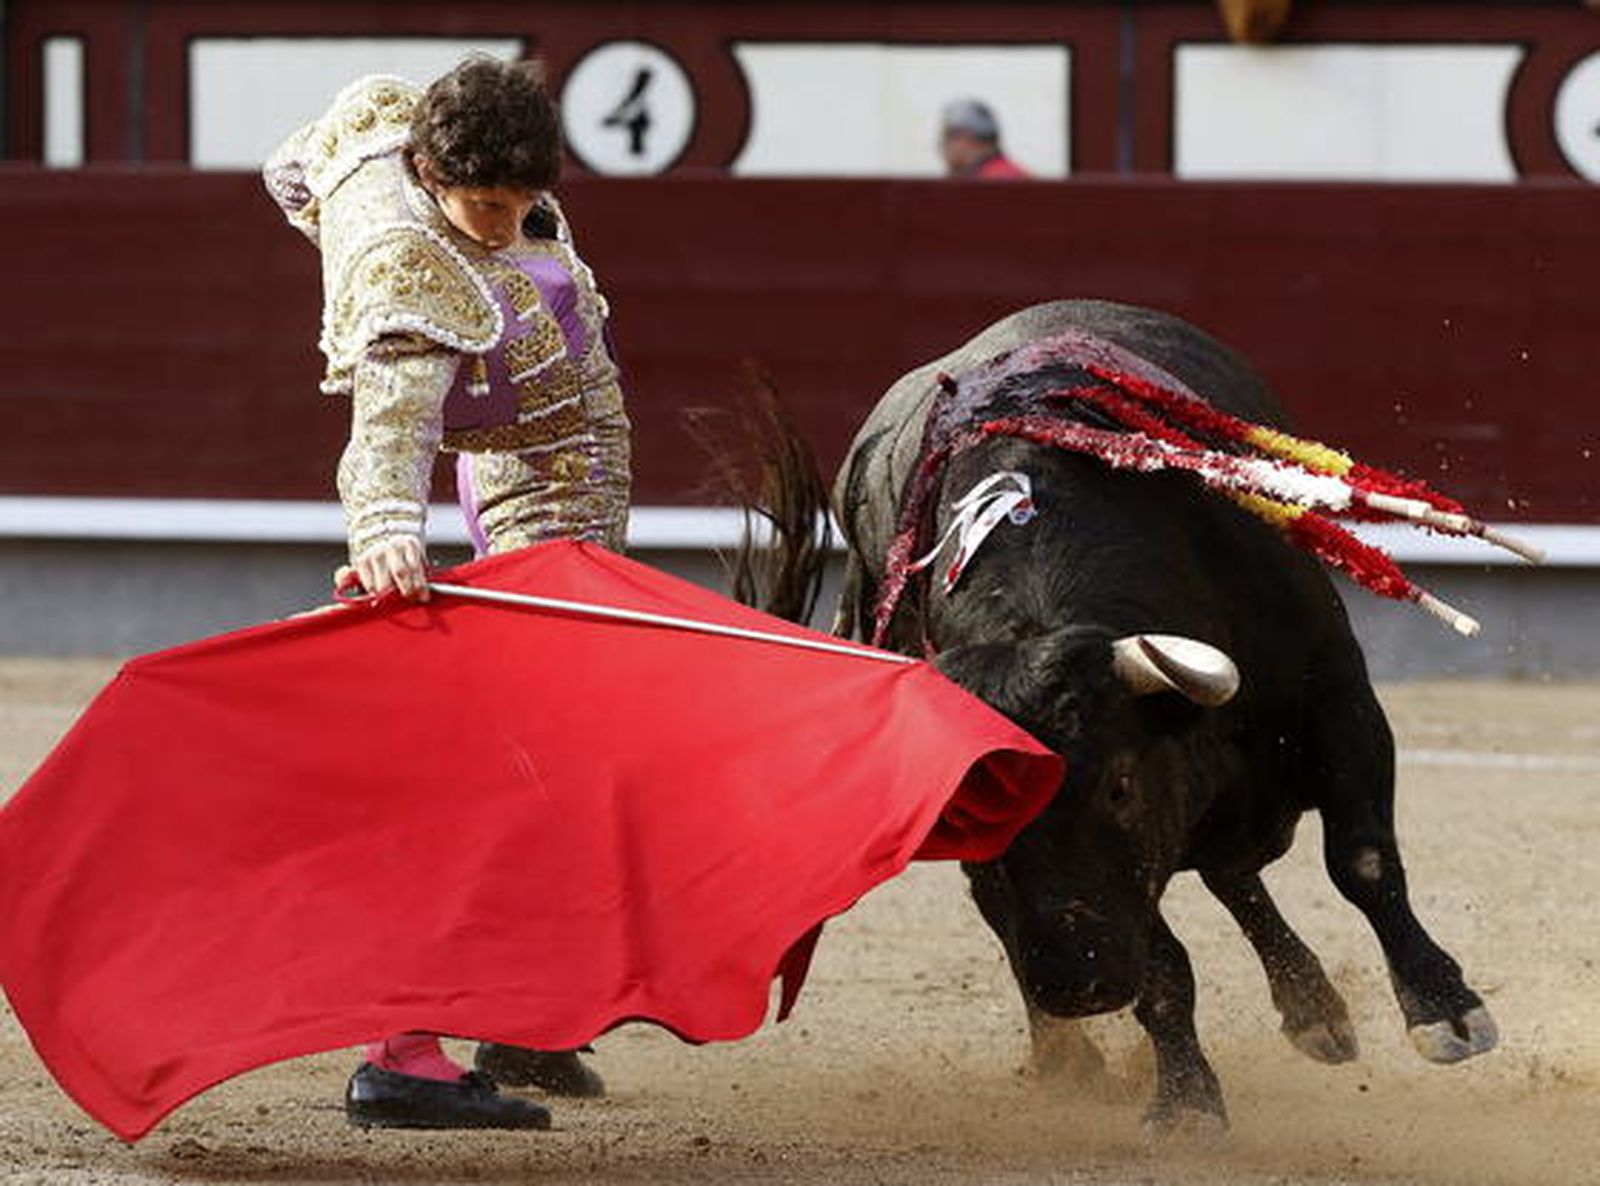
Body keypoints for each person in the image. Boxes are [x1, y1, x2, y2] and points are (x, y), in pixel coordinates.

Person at [264, 56, 626, 1131]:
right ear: (427, 173)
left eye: (523, 205)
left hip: (544, 468)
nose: (503, 227)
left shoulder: (390, 134)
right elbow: (390, 428)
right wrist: (383, 533)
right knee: (515, 760)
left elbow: (296, 169)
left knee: (549, 747)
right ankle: (414, 1043)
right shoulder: (405, 264)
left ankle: (517, 1010)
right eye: (483, 206)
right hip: (530, 469)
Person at [938, 98, 1030, 180]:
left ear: (972, 138)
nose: (942, 144)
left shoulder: (997, 178)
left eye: (949, 136)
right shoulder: (1005, 172)